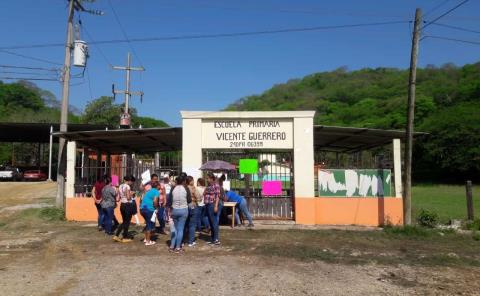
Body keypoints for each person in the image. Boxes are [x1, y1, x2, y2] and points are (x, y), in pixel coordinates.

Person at [167, 175, 191, 253]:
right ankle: (178, 247)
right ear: (184, 181)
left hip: (174, 210)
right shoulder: (186, 188)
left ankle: (171, 247)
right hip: (183, 210)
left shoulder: (173, 188)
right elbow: (189, 200)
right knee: (181, 229)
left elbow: (169, 200)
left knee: (175, 229)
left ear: (177, 181)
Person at [113, 175, 136, 242]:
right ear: (129, 180)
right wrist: (132, 193)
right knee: (126, 222)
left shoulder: (120, 186)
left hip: (122, 205)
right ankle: (124, 237)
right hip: (127, 205)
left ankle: (118, 235)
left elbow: (119, 196)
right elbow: (128, 197)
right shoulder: (127, 186)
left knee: (124, 221)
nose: (132, 183)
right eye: (132, 182)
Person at [140, 181, 159, 246]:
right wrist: (156, 208)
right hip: (149, 210)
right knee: (149, 225)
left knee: (148, 223)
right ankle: (148, 241)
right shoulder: (156, 191)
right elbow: (155, 201)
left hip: (142, 209)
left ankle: (146, 238)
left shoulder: (149, 191)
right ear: (157, 186)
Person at [203, 173, 221, 245]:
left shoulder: (216, 185)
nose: (207, 179)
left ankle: (216, 239)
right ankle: (213, 238)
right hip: (207, 204)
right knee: (211, 222)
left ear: (211, 178)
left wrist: (216, 206)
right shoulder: (209, 186)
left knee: (214, 222)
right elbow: (205, 194)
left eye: (208, 178)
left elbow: (217, 196)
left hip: (212, 204)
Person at [186, 176, 198, 247]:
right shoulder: (193, 188)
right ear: (190, 181)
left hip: (186, 206)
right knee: (192, 224)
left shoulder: (185, 187)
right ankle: (191, 241)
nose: (193, 181)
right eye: (193, 180)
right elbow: (198, 196)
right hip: (193, 205)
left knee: (186, 224)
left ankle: (184, 239)